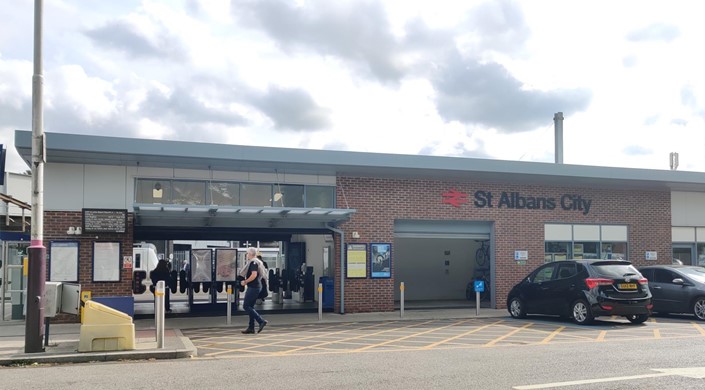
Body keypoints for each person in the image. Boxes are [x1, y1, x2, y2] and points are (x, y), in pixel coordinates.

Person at [239, 247, 268, 334]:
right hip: (256, 286)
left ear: (251, 254)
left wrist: (245, 281)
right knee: (250, 307)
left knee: (246, 306)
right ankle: (251, 328)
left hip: (254, 287)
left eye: (247, 253)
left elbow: (254, 274)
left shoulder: (254, 262)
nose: (246, 255)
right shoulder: (256, 261)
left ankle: (261, 321)